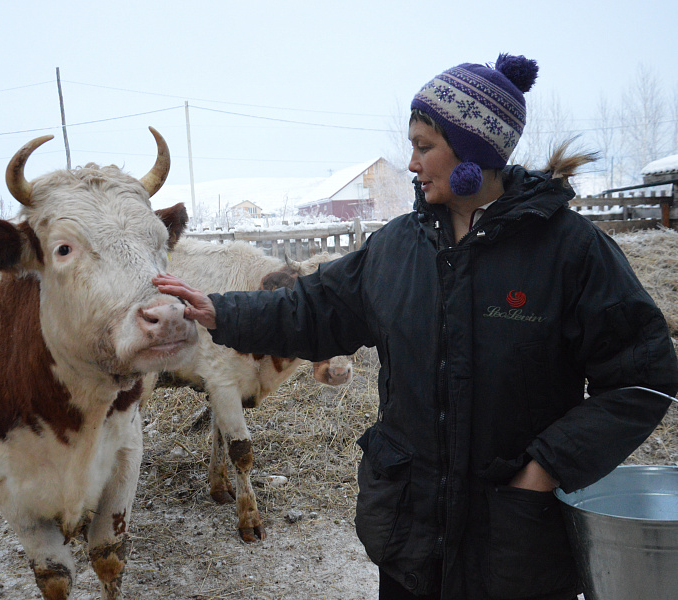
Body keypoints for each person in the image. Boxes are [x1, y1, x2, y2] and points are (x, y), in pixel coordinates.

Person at [155, 54, 678, 600]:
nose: (410, 163)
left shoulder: (571, 252)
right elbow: (312, 309)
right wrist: (220, 312)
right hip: (410, 539)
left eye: (424, 146)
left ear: (474, 150)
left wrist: (545, 468)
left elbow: (642, 379)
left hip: (515, 545)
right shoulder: (398, 247)